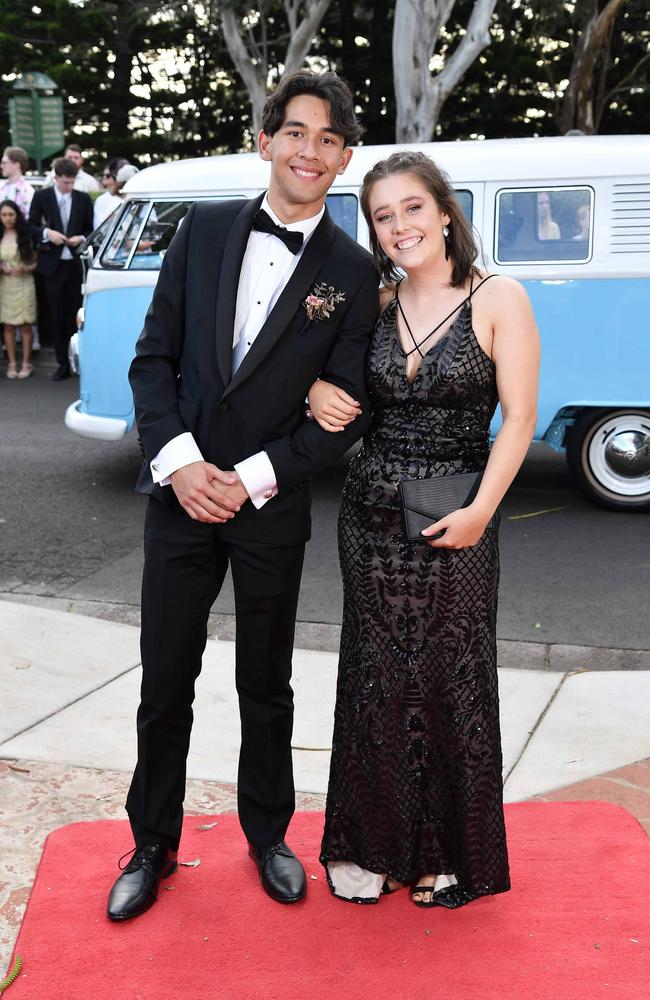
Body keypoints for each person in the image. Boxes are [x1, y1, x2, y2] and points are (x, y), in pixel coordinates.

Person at [106, 70, 378, 923]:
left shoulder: (354, 271)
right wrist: (181, 467)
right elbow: (152, 362)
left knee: (267, 684)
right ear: (267, 140)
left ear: (344, 159)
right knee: (165, 680)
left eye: (329, 139)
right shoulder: (205, 230)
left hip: (270, 509)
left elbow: (340, 412)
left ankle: (269, 835)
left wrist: (255, 477)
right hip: (177, 502)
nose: (310, 150)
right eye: (296, 132)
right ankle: (151, 842)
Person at [310, 151, 540, 907]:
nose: (400, 225)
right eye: (383, 214)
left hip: (458, 513)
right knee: (375, 676)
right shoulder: (374, 305)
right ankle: (372, 847)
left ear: (445, 212)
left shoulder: (499, 297)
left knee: (451, 677)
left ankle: (448, 853)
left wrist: (481, 511)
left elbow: (520, 422)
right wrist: (318, 388)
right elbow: (331, 384)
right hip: (371, 519)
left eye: (413, 207)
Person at [28, 157, 93, 380]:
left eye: (72, 182)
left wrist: (81, 238)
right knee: (56, 315)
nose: (69, 186)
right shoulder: (42, 197)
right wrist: (48, 234)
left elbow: (91, 229)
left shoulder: (83, 199)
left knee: (76, 315)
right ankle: (62, 364)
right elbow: (31, 226)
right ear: (55, 178)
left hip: (75, 264)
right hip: (52, 266)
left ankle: (81, 362)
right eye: (65, 182)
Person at [0, 200, 37, 378]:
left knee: (25, 325)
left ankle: (26, 363)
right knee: (7, 326)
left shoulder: (25, 235)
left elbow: (35, 262)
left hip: (24, 283)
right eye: (4, 215)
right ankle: (12, 363)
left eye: (11, 214)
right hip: (4, 285)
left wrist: (24, 268)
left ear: (17, 215)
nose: (8, 218)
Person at [0, 147, 35, 219]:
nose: (1, 166)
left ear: (17, 165)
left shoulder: (28, 191)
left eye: (4, 163)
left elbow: (28, 219)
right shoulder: (1, 187)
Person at [93, 158, 128, 228]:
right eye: (104, 175)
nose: (104, 178)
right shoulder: (101, 200)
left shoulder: (135, 196)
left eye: (108, 175)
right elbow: (98, 227)